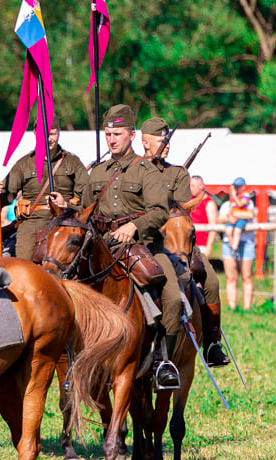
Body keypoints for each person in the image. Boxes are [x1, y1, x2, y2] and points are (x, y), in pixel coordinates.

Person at [78, 105, 179, 388]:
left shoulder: (147, 171)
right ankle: (73, 359)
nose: (111, 140)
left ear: (132, 135)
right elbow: (83, 208)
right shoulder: (97, 172)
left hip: (142, 246)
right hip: (101, 247)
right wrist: (66, 206)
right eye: (108, 133)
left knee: (171, 295)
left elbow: (160, 212)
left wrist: (134, 226)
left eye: (117, 134)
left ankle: (163, 361)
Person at [141, 122, 228, 367]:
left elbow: (178, 210)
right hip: (144, 238)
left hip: (175, 240)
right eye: (161, 139)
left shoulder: (178, 173)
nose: (166, 144)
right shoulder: (134, 170)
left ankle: (212, 341)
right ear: (145, 141)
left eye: (168, 139)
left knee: (210, 280)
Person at [0, 114, 89, 260]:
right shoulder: (23, 164)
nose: (48, 138)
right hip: (32, 224)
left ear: (59, 133)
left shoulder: (72, 162)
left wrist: (66, 205)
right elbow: (4, 196)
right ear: (36, 134)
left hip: (64, 222)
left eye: (52, 134)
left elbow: (89, 199)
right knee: (24, 268)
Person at [218, 191, 255, 310]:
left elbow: (250, 215)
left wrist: (233, 214)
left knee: (247, 276)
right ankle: (232, 306)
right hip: (228, 242)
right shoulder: (226, 204)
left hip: (246, 242)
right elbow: (218, 219)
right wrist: (230, 217)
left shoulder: (249, 203)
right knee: (231, 277)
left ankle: (247, 307)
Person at [190, 175, 219, 257]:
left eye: (193, 186)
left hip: (201, 245)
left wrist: (208, 247)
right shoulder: (189, 200)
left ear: (201, 186)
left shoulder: (209, 203)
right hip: (188, 243)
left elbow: (213, 227)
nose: (190, 188)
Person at [224, 177, 252, 251]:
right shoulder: (233, 197)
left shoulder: (245, 195)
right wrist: (229, 216)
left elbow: (240, 204)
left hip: (241, 218)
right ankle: (232, 246)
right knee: (228, 230)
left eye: (238, 186)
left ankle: (234, 248)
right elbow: (231, 207)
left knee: (237, 231)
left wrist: (234, 196)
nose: (236, 188)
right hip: (233, 217)